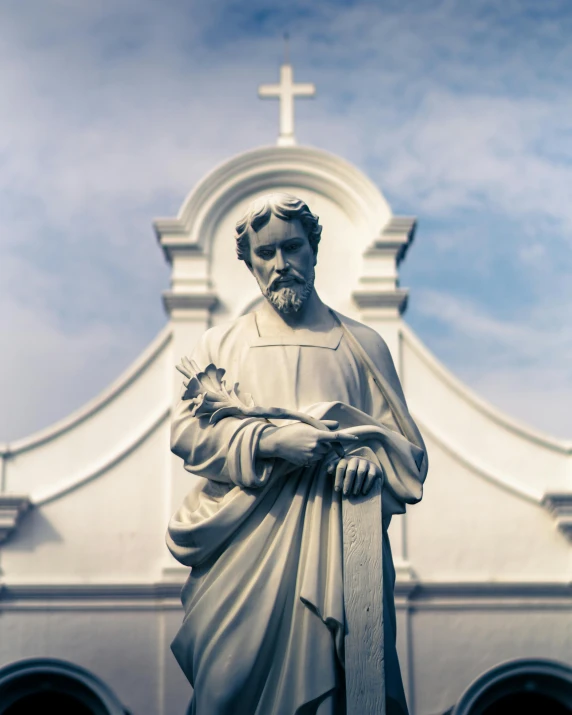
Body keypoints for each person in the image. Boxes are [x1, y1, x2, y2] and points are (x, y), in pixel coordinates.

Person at [167, 193, 428, 715]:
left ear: (314, 249)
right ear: (248, 262)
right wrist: (269, 441)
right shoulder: (218, 346)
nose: (280, 264)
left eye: (292, 247)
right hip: (244, 557)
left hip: (337, 547)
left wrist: (366, 461)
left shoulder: (362, 345)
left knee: (338, 694)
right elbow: (188, 435)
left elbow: (408, 454)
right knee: (226, 691)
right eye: (265, 254)